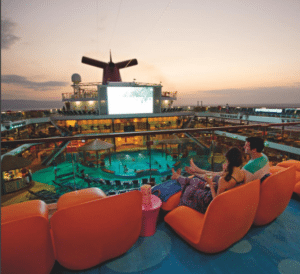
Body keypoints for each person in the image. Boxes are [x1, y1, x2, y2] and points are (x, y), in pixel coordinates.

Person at [171, 147, 245, 214]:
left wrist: (211, 184)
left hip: (209, 202)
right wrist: (198, 172)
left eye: (226, 160)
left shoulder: (224, 180)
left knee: (192, 185)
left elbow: (216, 201)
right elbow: (215, 174)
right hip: (220, 190)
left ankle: (179, 176)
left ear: (229, 160)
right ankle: (194, 171)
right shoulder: (241, 173)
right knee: (199, 179)